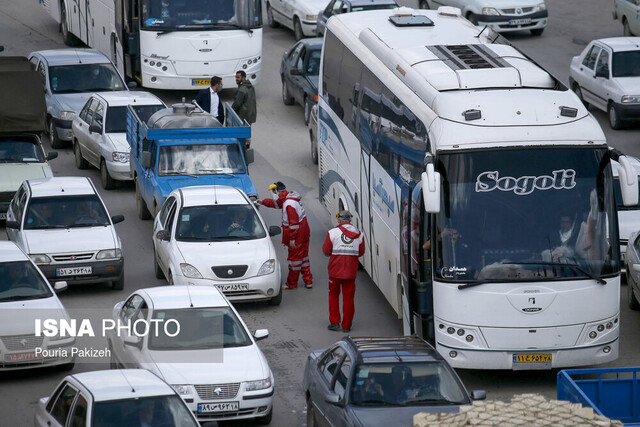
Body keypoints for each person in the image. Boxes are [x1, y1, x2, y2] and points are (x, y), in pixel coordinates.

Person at [256, 181, 313, 289]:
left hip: (297, 235)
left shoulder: (289, 204)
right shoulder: (288, 198)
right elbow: (276, 203)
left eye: (274, 191)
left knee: (294, 260)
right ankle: (308, 280)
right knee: (304, 258)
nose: (274, 193)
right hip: (304, 232)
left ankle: (292, 283)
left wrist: (292, 239)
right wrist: (263, 202)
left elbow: (293, 224)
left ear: (279, 191)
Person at [322, 211, 365, 332]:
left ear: (339, 220)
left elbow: (326, 251)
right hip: (350, 272)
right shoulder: (359, 235)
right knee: (349, 298)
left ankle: (335, 322)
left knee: (333, 295)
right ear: (350, 220)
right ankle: (346, 326)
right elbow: (361, 252)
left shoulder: (332, 233)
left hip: (335, 272)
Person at [232, 70, 256, 148]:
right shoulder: (250, 86)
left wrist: (232, 112)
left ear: (243, 78)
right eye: (236, 77)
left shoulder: (242, 89)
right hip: (250, 114)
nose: (236, 79)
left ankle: (243, 149)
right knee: (247, 134)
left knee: (241, 135)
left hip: (243, 116)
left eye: (238, 77)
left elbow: (237, 104)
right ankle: (247, 146)